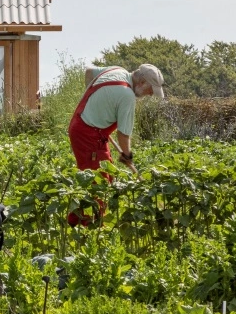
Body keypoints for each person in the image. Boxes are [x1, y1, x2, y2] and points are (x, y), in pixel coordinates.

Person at [66, 63, 164, 224]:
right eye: (150, 90)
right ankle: (87, 225)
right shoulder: (127, 96)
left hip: (83, 126)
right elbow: (123, 135)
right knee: (98, 181)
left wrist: (97, 103)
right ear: (141, 83)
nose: (150, 95)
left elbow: (89, 72)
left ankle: (81, 221)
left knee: (105, 173)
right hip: (88, 134)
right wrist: (127, 155)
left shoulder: (117, 71)